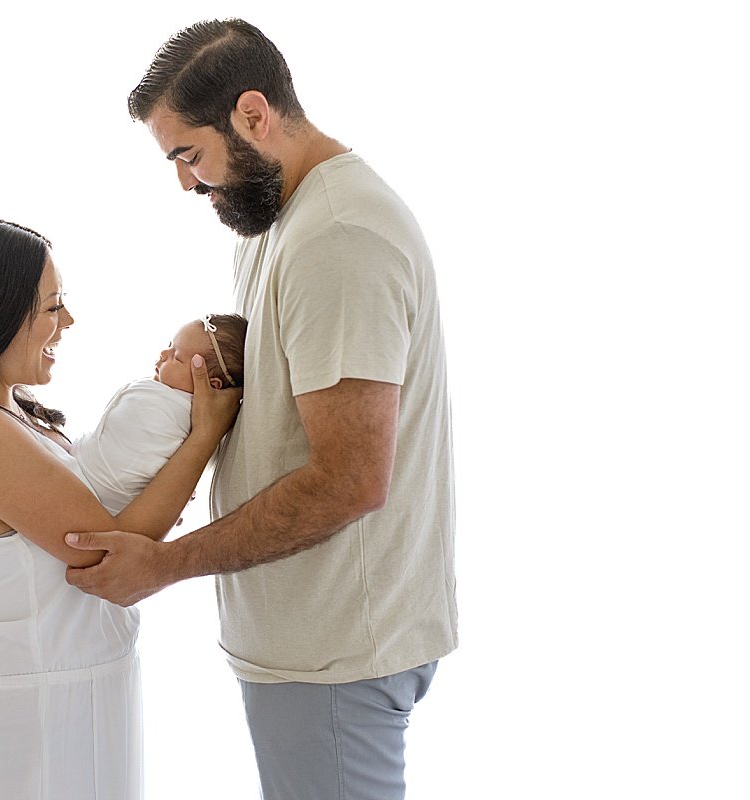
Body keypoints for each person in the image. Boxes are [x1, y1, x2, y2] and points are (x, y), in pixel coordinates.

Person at [64, 19, 458, 800]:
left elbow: (349, 479)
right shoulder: (278, 222)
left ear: (253, 114)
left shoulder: (338, 234)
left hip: (338, 651)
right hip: (312, 647)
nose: (185, 182)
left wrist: (166, 564)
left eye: (189, 155)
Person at [0, 217, 240, 800]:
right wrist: (202, 436)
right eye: (52, 307)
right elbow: (110, 560)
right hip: (36, 722)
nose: (67, 322)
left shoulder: (15, 417)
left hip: (71, 700)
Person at [75, 313, 247, 515]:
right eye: (169, 345)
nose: (163, 353)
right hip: (83, 477)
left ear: (211, 385)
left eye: (177, 357)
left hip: (100, 494)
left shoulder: (178, 413)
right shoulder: (158, 395)